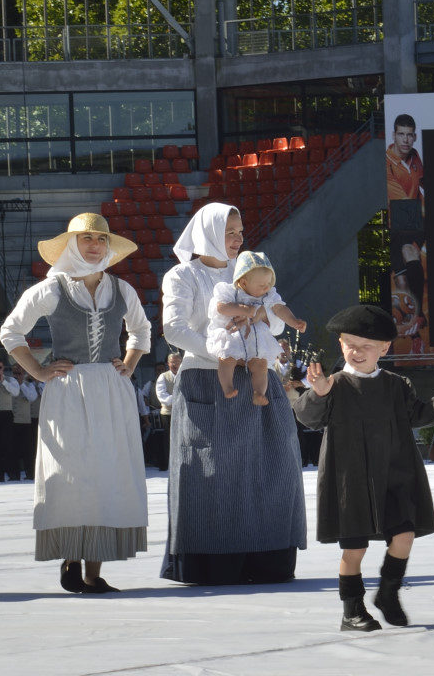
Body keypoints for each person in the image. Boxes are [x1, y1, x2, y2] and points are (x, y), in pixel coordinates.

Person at [0, 213, 150, 594]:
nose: (95, 246)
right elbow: (11, 331)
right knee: (70, 473)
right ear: (72, 244)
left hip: (111, 390)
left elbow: (141, 330)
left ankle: (94, 571)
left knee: (107, 473)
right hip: (68, 389)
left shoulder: (122, 289)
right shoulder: (53, 288)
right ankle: (71, 556)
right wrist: (38, 371)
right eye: (87, 239)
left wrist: (129, 365)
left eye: (101, 239)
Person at [159, 202, 306, 585]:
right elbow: (174, 329)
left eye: (240, 231)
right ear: (207, 232)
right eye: (229, 232)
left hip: (258, 376)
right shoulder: (183, 275)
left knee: (271, 466)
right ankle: (215, 563)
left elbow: (276, 323)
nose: (238, 239)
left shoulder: (248, 269)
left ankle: (268, 558)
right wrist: (225, 353)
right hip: (208, 379)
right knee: (211, 473)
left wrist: (260, 320)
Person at [296, 305, 434, 631]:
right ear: (340, 344)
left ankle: (388, 593)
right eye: (350, 344)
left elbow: (419, 414)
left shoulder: (396, 384)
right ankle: (352, 610)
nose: (357, 351)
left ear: (385, 348)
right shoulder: (333, 384)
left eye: (366, 345)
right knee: (355, 548)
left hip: (394, 473)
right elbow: (309, 418)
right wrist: (317, 394)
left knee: (404, 535)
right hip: (349, 477)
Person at [207, 250, 307, 406]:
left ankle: (259, 392)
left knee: (261, 365)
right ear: (243, 282)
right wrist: (244, 310)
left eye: (269, 283)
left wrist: (294, 321)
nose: (266, 288)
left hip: (255, 339)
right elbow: (221, 307)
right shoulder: (230, 291)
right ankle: (227, 386)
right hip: (233, 335)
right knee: (227, 359)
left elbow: (280, 308)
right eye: (261, 285)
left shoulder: (268, 295)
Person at [0, 357, 38, 482]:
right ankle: (0, 475)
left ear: (3, 368)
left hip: (7, 414)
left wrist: (3, 381)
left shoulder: (10, 380)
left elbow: (15, 392)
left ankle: (12, 473)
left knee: (8, 444)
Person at [385, 113, 424, 202]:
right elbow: (405, 204)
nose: (405, 140)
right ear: (394, 136)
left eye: (409, 135)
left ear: (415, 137)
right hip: (403, 210)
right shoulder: (386, 165)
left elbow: (422, 181)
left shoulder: (414, 154)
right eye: (401, 134)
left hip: (419, 208)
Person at [154, 352, 181, 470]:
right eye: (172, 362)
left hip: (183, 412)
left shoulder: (185, 374)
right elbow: (162, 397)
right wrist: (178, 397)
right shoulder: (163, 377)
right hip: (168, 413)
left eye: (177, 362)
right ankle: (167, 465)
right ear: (168, 364)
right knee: (168, 439)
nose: (175, 365)